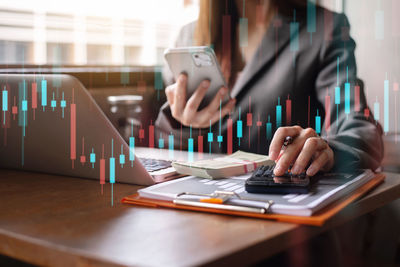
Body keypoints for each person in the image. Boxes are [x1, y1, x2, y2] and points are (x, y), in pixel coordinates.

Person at [155, 0, 383, 176]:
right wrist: (185, 126)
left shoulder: (324, 27)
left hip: (280, 204)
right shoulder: (189, 35)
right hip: (198, 202)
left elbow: (361, 130)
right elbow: (164, 148)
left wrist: (326, 149)